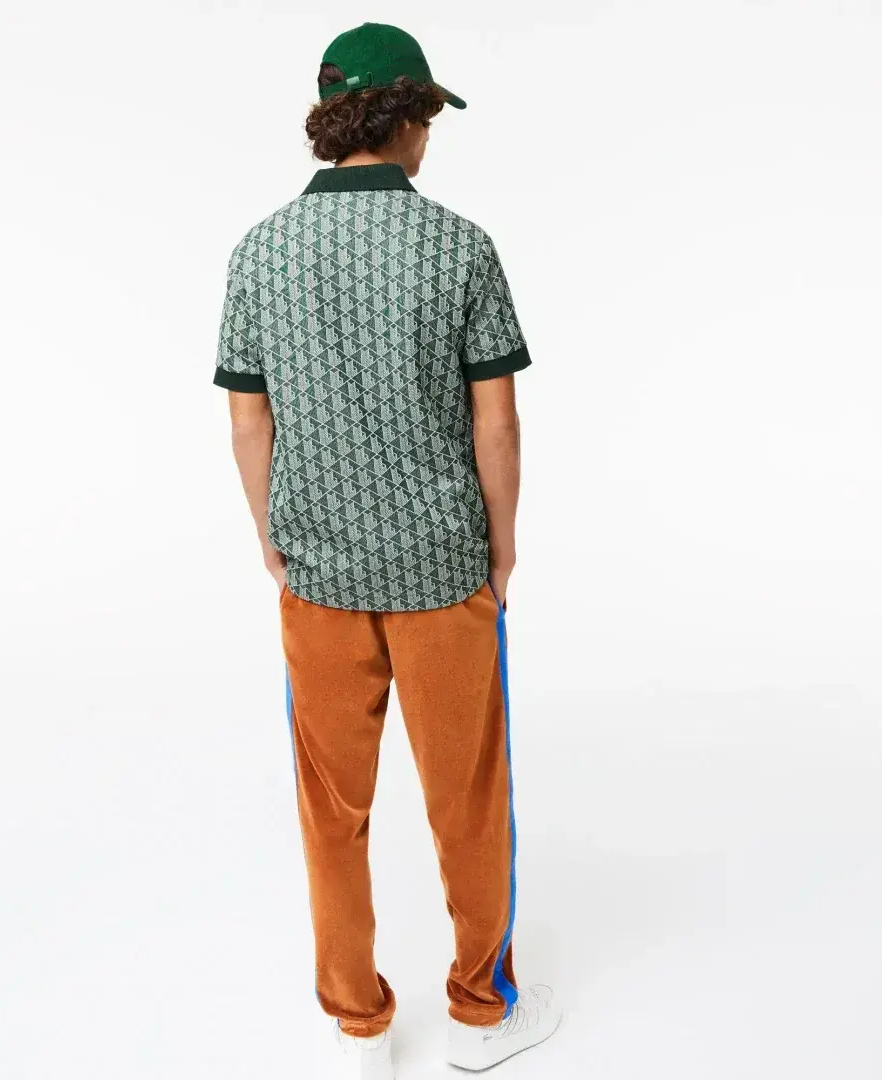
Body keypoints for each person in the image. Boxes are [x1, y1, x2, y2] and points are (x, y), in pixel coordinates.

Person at [214, 22, 561, 1078]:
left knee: (332, 810)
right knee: (469, 800)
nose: (431, 136)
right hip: (443, 572)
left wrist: (273, 538)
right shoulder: (459, 246)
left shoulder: (260, 250)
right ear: (404, 116)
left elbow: (248, 421)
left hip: (318, 577)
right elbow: (496, 422)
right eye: (429, 116)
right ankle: (480, 1014)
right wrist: (503, 550)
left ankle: (358, 1027)